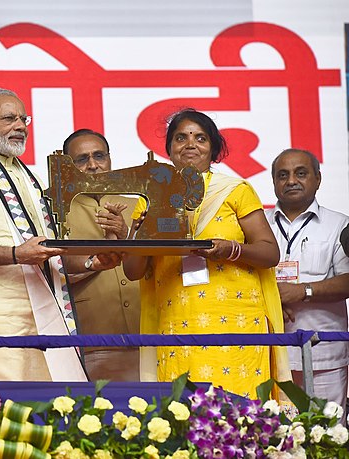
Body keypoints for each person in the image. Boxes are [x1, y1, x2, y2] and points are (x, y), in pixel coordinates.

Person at [0, 88, 118, 395]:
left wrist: (93, 261)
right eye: (8, 118)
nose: (20, 125)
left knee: (46, 415)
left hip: (41, 319)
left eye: (23, 118)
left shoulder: (26, 176)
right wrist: (16, 254)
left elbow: (47, 252)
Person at [123, 109, 289, 398]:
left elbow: (269, 252)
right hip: (177, 322)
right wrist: (143, 229)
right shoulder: (151, 198)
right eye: (180, 138)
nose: (190, 144)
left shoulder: (235, 190)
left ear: (212, 148)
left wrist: (230, 250)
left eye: (200, 138)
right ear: (170, 149)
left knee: (241, 414)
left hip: (237, 326)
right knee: (182, 414)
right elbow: (133, 271)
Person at [265, 148, 349, 408]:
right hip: (269, 352)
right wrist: (270, 296)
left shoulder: (339, 225)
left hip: (325, 354)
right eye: (283, 175)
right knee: (275, 439)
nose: (291, 181)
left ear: (318, 179)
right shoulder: (258, 225)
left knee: (327, 436)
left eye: (300, 173)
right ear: (274, 182)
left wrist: (302, 291)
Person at [63, 129, 141, 381]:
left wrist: (125, 231)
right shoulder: (54, 210)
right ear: (67, 167)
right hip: (91, 338)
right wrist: (94, 262)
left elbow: (155, 263)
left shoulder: (138, 204)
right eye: (82, 159)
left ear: (110, 159)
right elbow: (49, 269)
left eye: (99, 156)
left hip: (147, 333)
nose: (93, 165)